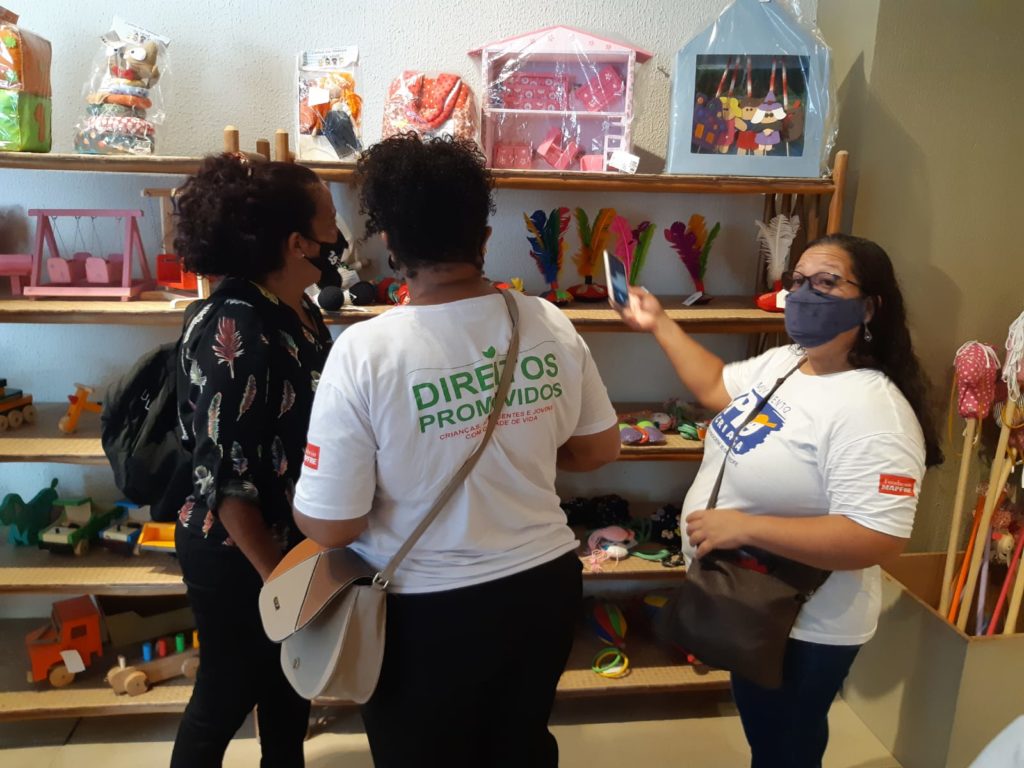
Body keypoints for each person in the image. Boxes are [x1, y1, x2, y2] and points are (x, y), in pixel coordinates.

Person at [291, 134, 621, 768]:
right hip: (544, 588)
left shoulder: (365, 351)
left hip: (423, 609)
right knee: (520, 746)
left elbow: (334, 525)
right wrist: (513, 447)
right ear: (484, 235)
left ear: (390, 242)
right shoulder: (547, 320)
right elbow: (598, 447)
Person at [615, 234, 943, 768]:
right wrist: (659, 322)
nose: (805, 294)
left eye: (827, 282)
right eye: (798, 281)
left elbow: (879, 538)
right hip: (750, 600)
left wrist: (745, 527)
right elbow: (717, 384)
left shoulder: (874, 411)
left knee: (784, 749)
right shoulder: (790, 362)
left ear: (870, 307)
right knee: (771, 742)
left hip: (805, 624)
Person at [169, 154, 339, 767]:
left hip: (290, 541)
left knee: (288, 692)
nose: (339, 235)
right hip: (236, 551)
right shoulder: (236, 323)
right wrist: (279, 579)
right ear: (298, 243)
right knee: (223, 695)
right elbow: (225, 478)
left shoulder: (300, 310)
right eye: (330, 221)